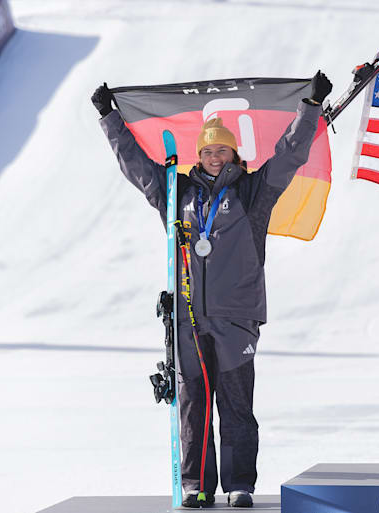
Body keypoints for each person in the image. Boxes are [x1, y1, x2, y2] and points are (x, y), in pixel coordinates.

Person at [91, 72, 332, 508]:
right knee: (192, 405)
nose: (215, 155)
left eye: (221, 149)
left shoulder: (253, 192)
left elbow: (289, 155)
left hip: (236, 318)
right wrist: (110, 118)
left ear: (234, 152)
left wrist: (310, 107)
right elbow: (138, 168)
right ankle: (196, 485)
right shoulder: (176, 192)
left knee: (237, 406)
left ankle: (240, 484)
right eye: (207, 150)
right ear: (198, 154)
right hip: (187, 318)